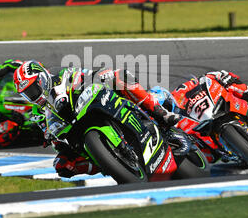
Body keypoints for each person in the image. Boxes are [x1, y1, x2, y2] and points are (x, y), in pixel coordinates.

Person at [13, 60, 182, 178]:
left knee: (118, 76)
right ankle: (109, 164)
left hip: (92, 104)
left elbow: (87, 75)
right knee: (62, 164)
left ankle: (159, 112)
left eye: (34, 89)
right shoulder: (38, 110)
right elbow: (50, 135)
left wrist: (99, 77)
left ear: (41, 79)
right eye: (28, 94)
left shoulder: (62, 76)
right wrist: (50, 138)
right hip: (74, 131)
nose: (33, 95)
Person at [171, 70, 248, 117]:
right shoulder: (175, 100)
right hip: (202, 117)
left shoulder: (200, 80)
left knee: (233, 84)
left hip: (220, 100)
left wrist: (224, 77)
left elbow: (221, 75)